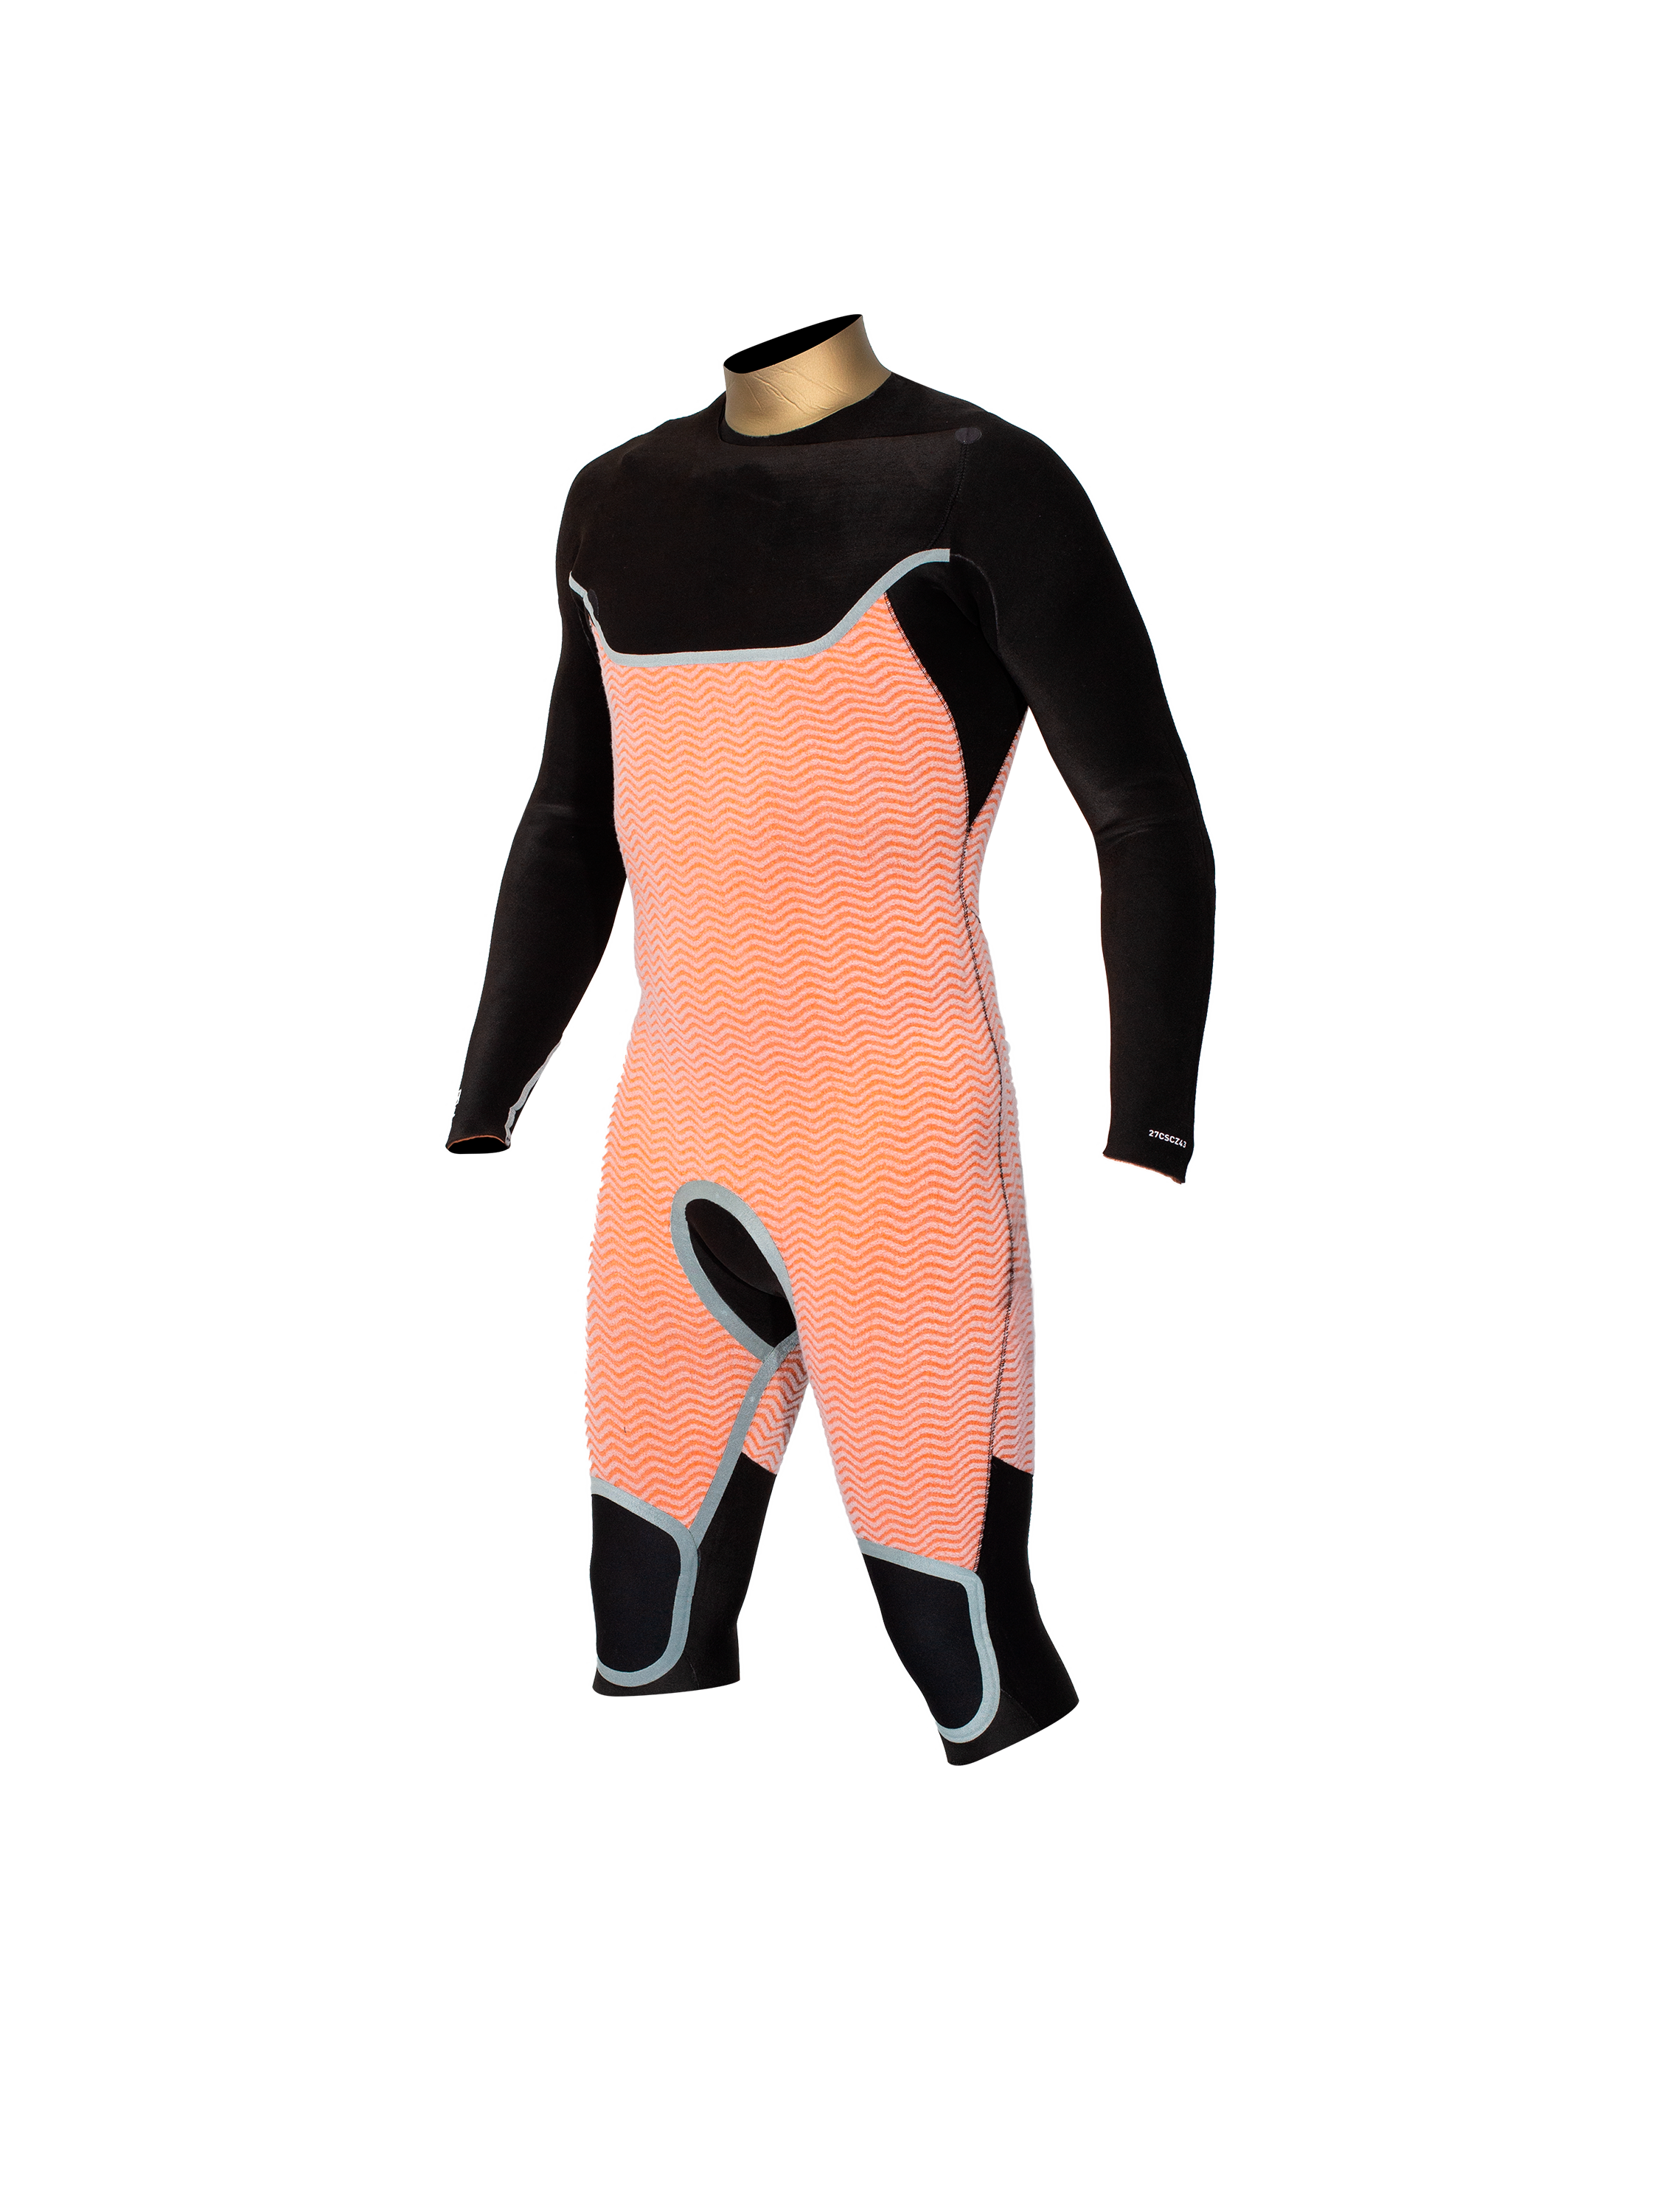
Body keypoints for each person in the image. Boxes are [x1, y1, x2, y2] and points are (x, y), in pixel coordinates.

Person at [446, 313, 1215, 1764]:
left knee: (949, 1630)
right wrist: (476, 1113)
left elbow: (1146, 818)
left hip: (896, 1156)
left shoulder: (977, 479)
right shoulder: (613, 500)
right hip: (673, 1145)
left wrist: (1150, 1137)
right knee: (636, 1618)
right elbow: (568, 827)